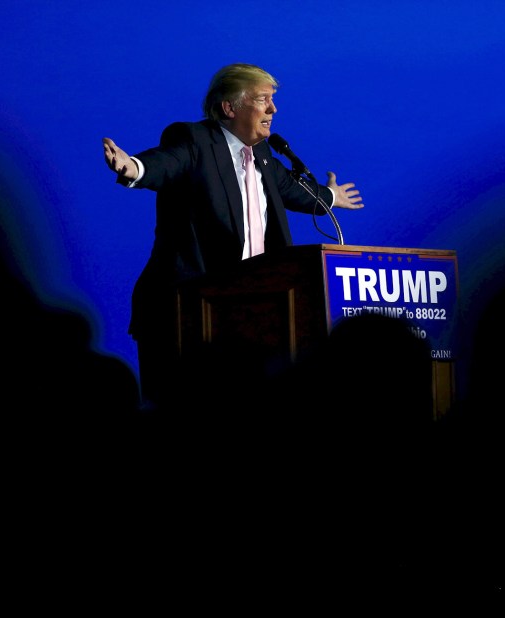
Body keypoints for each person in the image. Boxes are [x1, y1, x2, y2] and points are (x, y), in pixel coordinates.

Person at [102, 63, 364, 411]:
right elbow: (166, 163)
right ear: (230, 107)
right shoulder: (194, 140)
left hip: (253, 310)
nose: (273, 109)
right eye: (263, 100)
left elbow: (293, 191)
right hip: (186, 309)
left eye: (273, 100)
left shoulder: (265, 156)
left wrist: (329, 197)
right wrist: (133, 167)